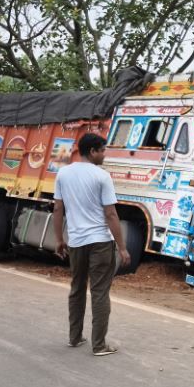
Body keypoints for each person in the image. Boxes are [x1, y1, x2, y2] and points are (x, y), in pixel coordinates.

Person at [52, 133, 131, 356]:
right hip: (100, 242)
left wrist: (59, 239)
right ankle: (99, 345)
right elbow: (111, 214)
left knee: (77, 289)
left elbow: (58, 209)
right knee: (99, 292)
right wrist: (122, 247)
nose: (105, 154)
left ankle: (75, 337)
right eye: (103, 150)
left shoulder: (63, 173)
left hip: (76, 242)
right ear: (93, 151)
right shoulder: (102, 176)